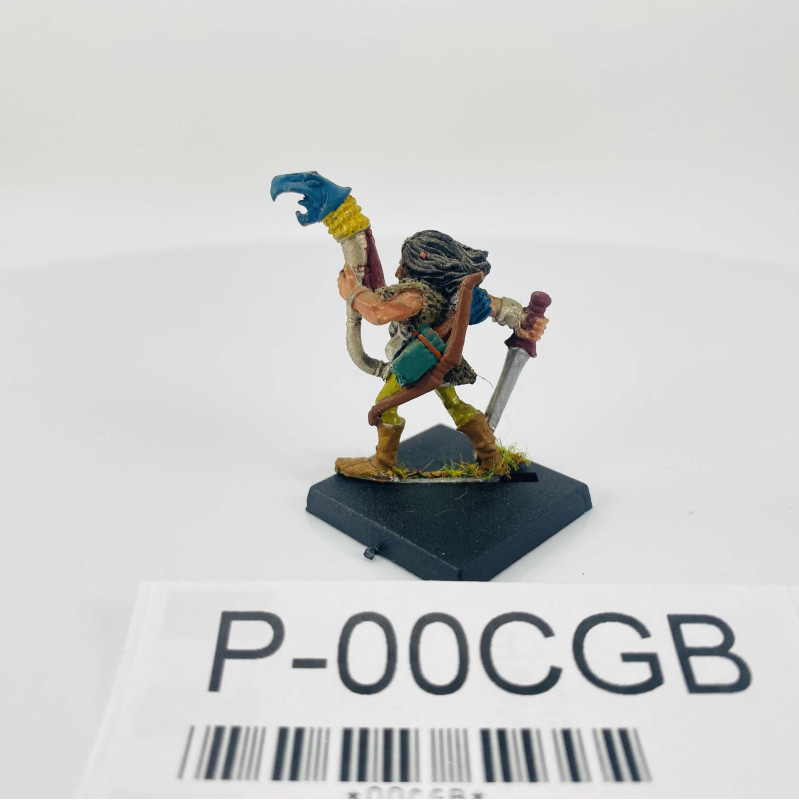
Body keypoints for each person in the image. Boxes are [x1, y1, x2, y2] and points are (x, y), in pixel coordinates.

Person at [335, 229, 546, 480]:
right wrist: (525, 319)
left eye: (403, 263)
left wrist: (352, 293)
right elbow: (498, 307)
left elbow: (379, 314)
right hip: (438, 360)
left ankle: (382, 462)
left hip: (416, 362)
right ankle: (490, 456)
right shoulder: (453, 291)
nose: (398, 269)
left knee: (384, 407)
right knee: (454, 404)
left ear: (419, 261)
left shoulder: (416, 296)